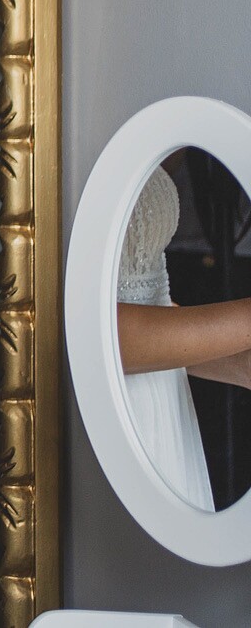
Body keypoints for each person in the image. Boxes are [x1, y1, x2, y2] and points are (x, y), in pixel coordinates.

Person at [115, 159, 251, 510]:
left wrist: (241, 367)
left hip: (163, 394)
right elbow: (90, 332)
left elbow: (147, 304)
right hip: (114, 412)